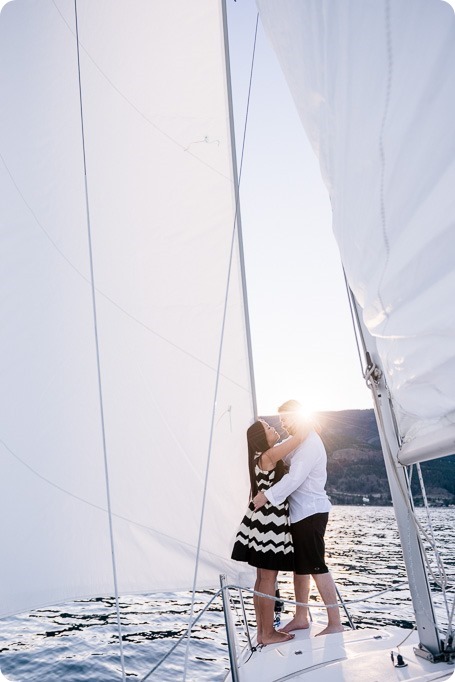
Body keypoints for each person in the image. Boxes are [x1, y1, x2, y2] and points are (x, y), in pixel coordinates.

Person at [253, 400, 343, 636]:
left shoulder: (310, 443)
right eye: (281, 420)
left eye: (286, 418)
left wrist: (266, 496)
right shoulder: (298, 442)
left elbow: (295, 478)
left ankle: (335, 623)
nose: (283, 424)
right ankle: (301, 617)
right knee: (300, 568)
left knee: (316, 566)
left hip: (311, 513)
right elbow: (279, 452)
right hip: (300, 514)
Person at [231, 419, 307, 645]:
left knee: (262, 579)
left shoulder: (261, 458)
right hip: (269, 527)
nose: (273, 428)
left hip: (260, 524)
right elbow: (300, 436)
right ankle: (267, 633)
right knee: (268, 579)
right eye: (268, 428)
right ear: (261, 439)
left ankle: (263, 632)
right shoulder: (268, 456)